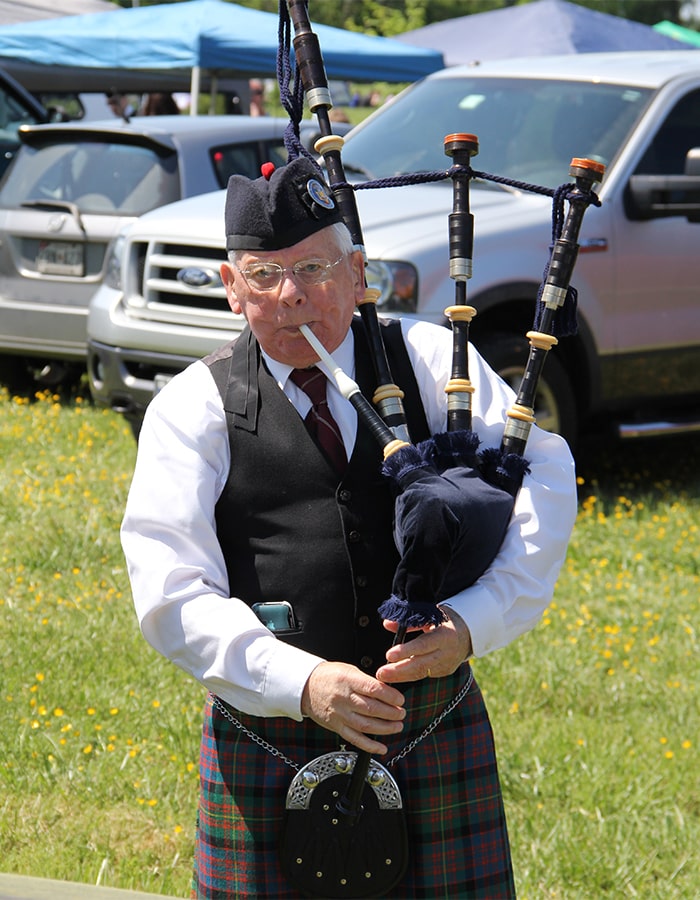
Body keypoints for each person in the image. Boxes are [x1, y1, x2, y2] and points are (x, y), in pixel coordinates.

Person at [121, 157, 577, 898]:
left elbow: (542, 477)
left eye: (314, 267)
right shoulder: (192, 408)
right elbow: (170, 593)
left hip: (429, 727)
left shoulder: (433, 364)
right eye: (264, 274)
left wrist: (471, 623)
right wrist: (302, 682)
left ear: (358, 273)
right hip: (265, 739)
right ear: (232, 290)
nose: (292, 294)